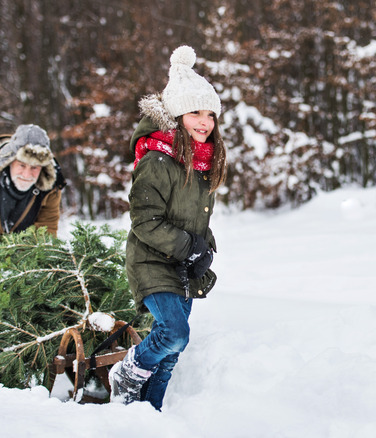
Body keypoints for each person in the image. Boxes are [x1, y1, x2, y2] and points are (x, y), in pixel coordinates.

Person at [109, 45, 227, 410]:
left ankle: (147, 415)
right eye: (195, 112)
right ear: (177, 114)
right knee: (173, 334)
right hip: (151, 262)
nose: (204, 121)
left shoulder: (201, 163)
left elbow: (196, 218)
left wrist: (204, 249)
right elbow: (145, 220)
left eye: (210, 114)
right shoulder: (158, 160)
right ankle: (126, 373)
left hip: (182, 266)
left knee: (171, 356)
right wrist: (187, 247)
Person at [0, 124, 66, 285]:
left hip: (22, 245)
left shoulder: (52, 184)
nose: (27, 175)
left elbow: (46, 229)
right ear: (10, 161)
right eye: (22, 165)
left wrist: (36, 270)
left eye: (34, 167)